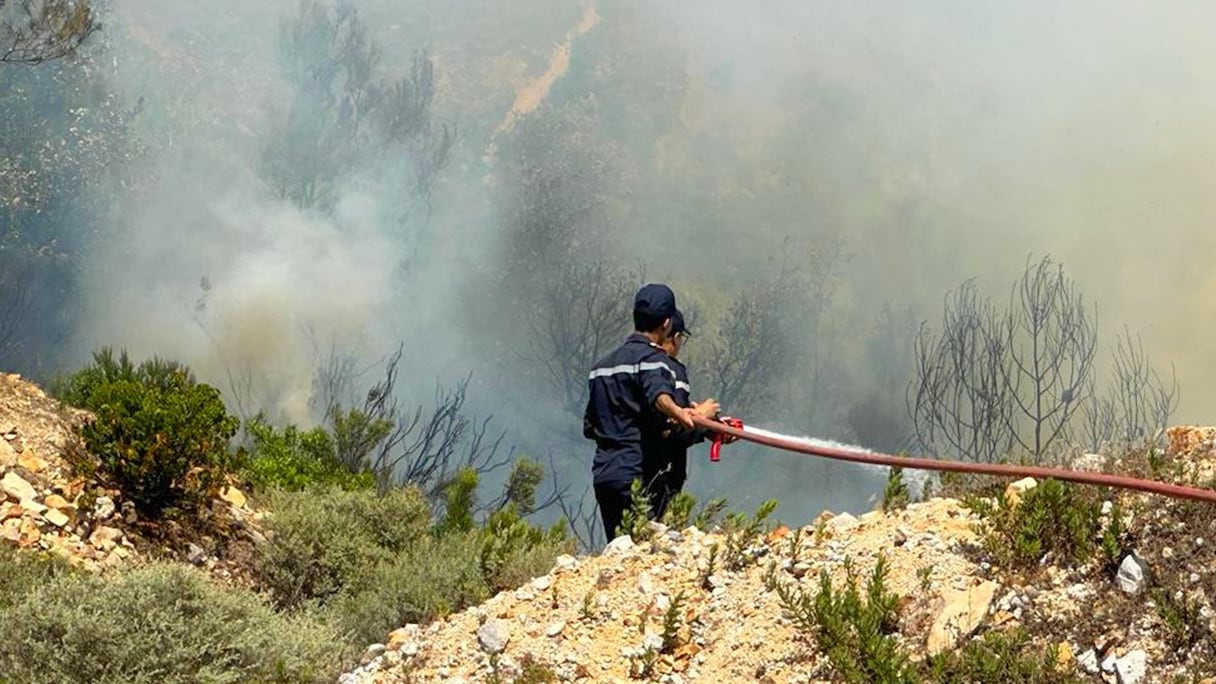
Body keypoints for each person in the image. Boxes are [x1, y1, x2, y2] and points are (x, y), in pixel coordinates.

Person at [584, 284, 718, 541]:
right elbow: (659, 398)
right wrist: (694, 416)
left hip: (605, 476)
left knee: (619, 553)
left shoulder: (600, 367)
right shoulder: (655, 361)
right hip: (639, 476)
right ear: (667, 323)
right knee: (647, 553)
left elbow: (590, 426)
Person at [643, 309, 715, 520]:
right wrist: (705, 425)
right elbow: (674, 430)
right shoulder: (672, 369)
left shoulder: (636, 364)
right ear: (674, 337)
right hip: (663, 475)